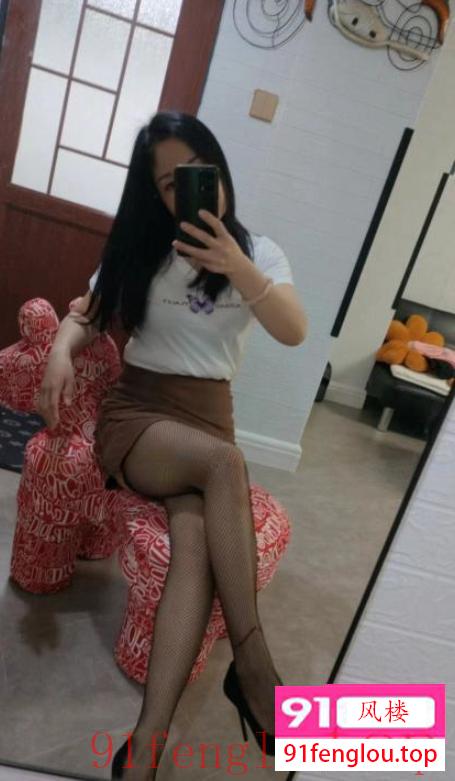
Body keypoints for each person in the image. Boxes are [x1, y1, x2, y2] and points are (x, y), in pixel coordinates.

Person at [38, 111, 308, 781]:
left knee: (195, 546)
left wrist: (236, 264)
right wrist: (61, 351)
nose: (188, 187)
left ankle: (148, 742)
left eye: (198, 171)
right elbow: (87, 313)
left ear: (218, 168)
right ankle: (254, 666)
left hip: (207, 422)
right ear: (155, 195)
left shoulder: (261, 253)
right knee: (226, 463)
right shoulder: (141, 248)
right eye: (169, 183)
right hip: (139, 416)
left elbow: (294, 330)